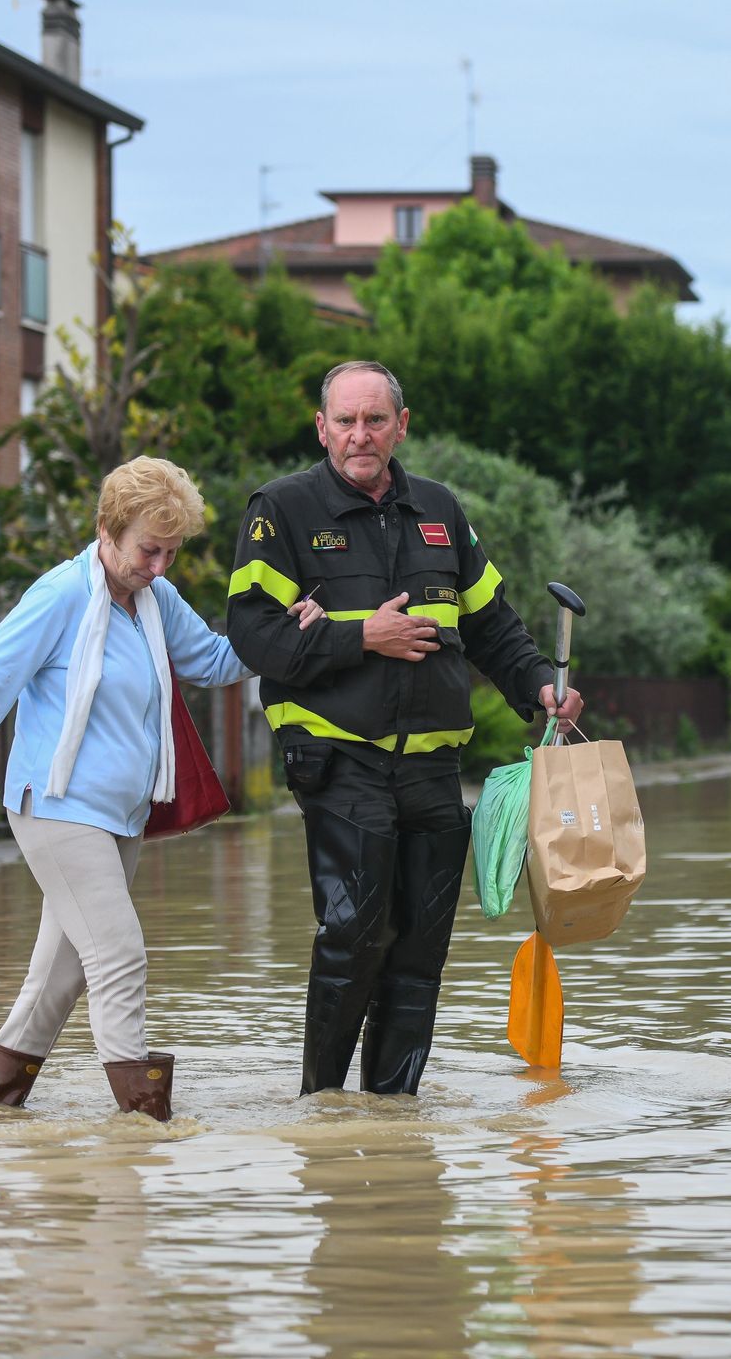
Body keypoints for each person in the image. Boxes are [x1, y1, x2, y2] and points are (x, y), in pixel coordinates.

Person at [227, 359, 583, 1097]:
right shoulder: (282, 509)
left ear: (402, 425)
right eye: (346, 421)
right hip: (336, 759)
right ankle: (323, 1105)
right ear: (321, 428)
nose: (360, 435)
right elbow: (254, 636)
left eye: (375, 419)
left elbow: (492, 626)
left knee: (420, 950)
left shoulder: (440, 509)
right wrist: (363, 636)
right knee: (355, 933)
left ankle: (393, 1113)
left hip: (431, 768)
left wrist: (540, 686)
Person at [0, 457, 262, 1121]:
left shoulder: (155, 600)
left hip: (120, 818)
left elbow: (214, 660)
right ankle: (144, 1130)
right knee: (119, 956)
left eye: (170, 553)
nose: (159, 566)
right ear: (107, 529)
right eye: (148, 550)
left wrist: (289, 633)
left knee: (59, 980)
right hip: (57, 809)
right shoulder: (61, 595)